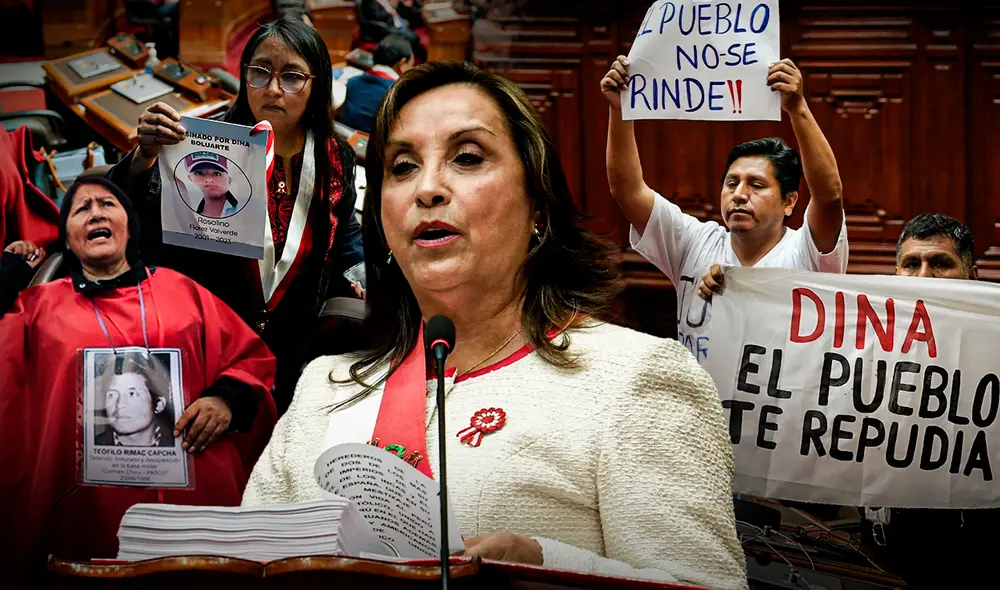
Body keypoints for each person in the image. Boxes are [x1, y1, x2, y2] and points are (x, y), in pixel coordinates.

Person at [241, 61, 747, 589]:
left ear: (537, 205)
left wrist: (547, 566)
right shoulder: (325, 387)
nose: (427, 189)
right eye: (403, 166)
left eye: (467, 157)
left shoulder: (634, 379)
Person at [0, 178, 277, 582]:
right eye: (81, 209)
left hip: (195, 502)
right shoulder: (39, 307)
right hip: (87, 513)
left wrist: (226, 400)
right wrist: (8, 273)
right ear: (68, 240)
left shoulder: (184, 291)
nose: (95, 213)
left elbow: (252, 359)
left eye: (107, 204)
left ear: (129, 226)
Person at [109, 15, 364, 413]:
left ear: (317, 85)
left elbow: (344, 230)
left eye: (292, 76)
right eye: (260, 72)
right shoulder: (205, 143)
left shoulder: (335, 157)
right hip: (214, 333)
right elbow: (140, 222)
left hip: (296, 337)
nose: (273, 89)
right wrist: (145, 156)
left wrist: (362, 273)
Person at [601, 56, 848, 365]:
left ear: (789, 202)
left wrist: (797, 108)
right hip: (702, 397)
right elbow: (627, 191)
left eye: (756, 185)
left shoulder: (806, 253)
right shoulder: (694, 242)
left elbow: (829, 197)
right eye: (732, 183)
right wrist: (619, 109)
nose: (740, 194)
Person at [870, 213, 1000, 589]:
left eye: (940, 263)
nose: (924, 277)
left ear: (971, 275)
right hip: (887, 545)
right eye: (911, 264)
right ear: (896, 274)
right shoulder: (859, 335)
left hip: (979, 541)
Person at [94, 354, 174, 447]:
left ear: (159, 404)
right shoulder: (87, 448)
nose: (119, 404)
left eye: (132, 394)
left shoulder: (178, 445)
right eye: (111, 395)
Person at [339, 34, 413, 133]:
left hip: (345, 138)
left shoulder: (352, 81)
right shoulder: (400, 92)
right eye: (411, 65)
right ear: (402, 63)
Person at [358, 0, 427, 62]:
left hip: (395, 23)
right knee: (414, 37)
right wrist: (390, 9)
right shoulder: (370, 2)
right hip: (385, 28)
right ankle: (416, 58)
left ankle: (417, 56)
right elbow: (377, 17)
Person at [181, 151, 240, 218]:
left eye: (217, 173)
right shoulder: (186, 211)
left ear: (229, 180)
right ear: (190, 178)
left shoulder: (245, 210)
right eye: (199, 173)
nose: (208, 179)